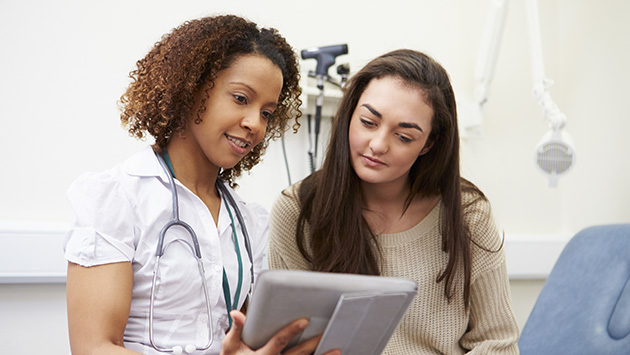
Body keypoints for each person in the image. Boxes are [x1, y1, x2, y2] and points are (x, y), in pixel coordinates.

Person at [64, 15, 338, 355]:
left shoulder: (248, 222)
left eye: (267, 113)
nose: (254, 123)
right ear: (191, 87)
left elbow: (243, 339)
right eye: (241, 98)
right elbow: (94, 348)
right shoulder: (116, 198)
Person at [268, 49, 520, 354]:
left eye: (404, 137)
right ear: (350, 115)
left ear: (429, 143)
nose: (377, 145)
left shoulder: (468, 215)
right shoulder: (298, 210)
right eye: (368, 122)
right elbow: (288, 341)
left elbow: (498, 342)